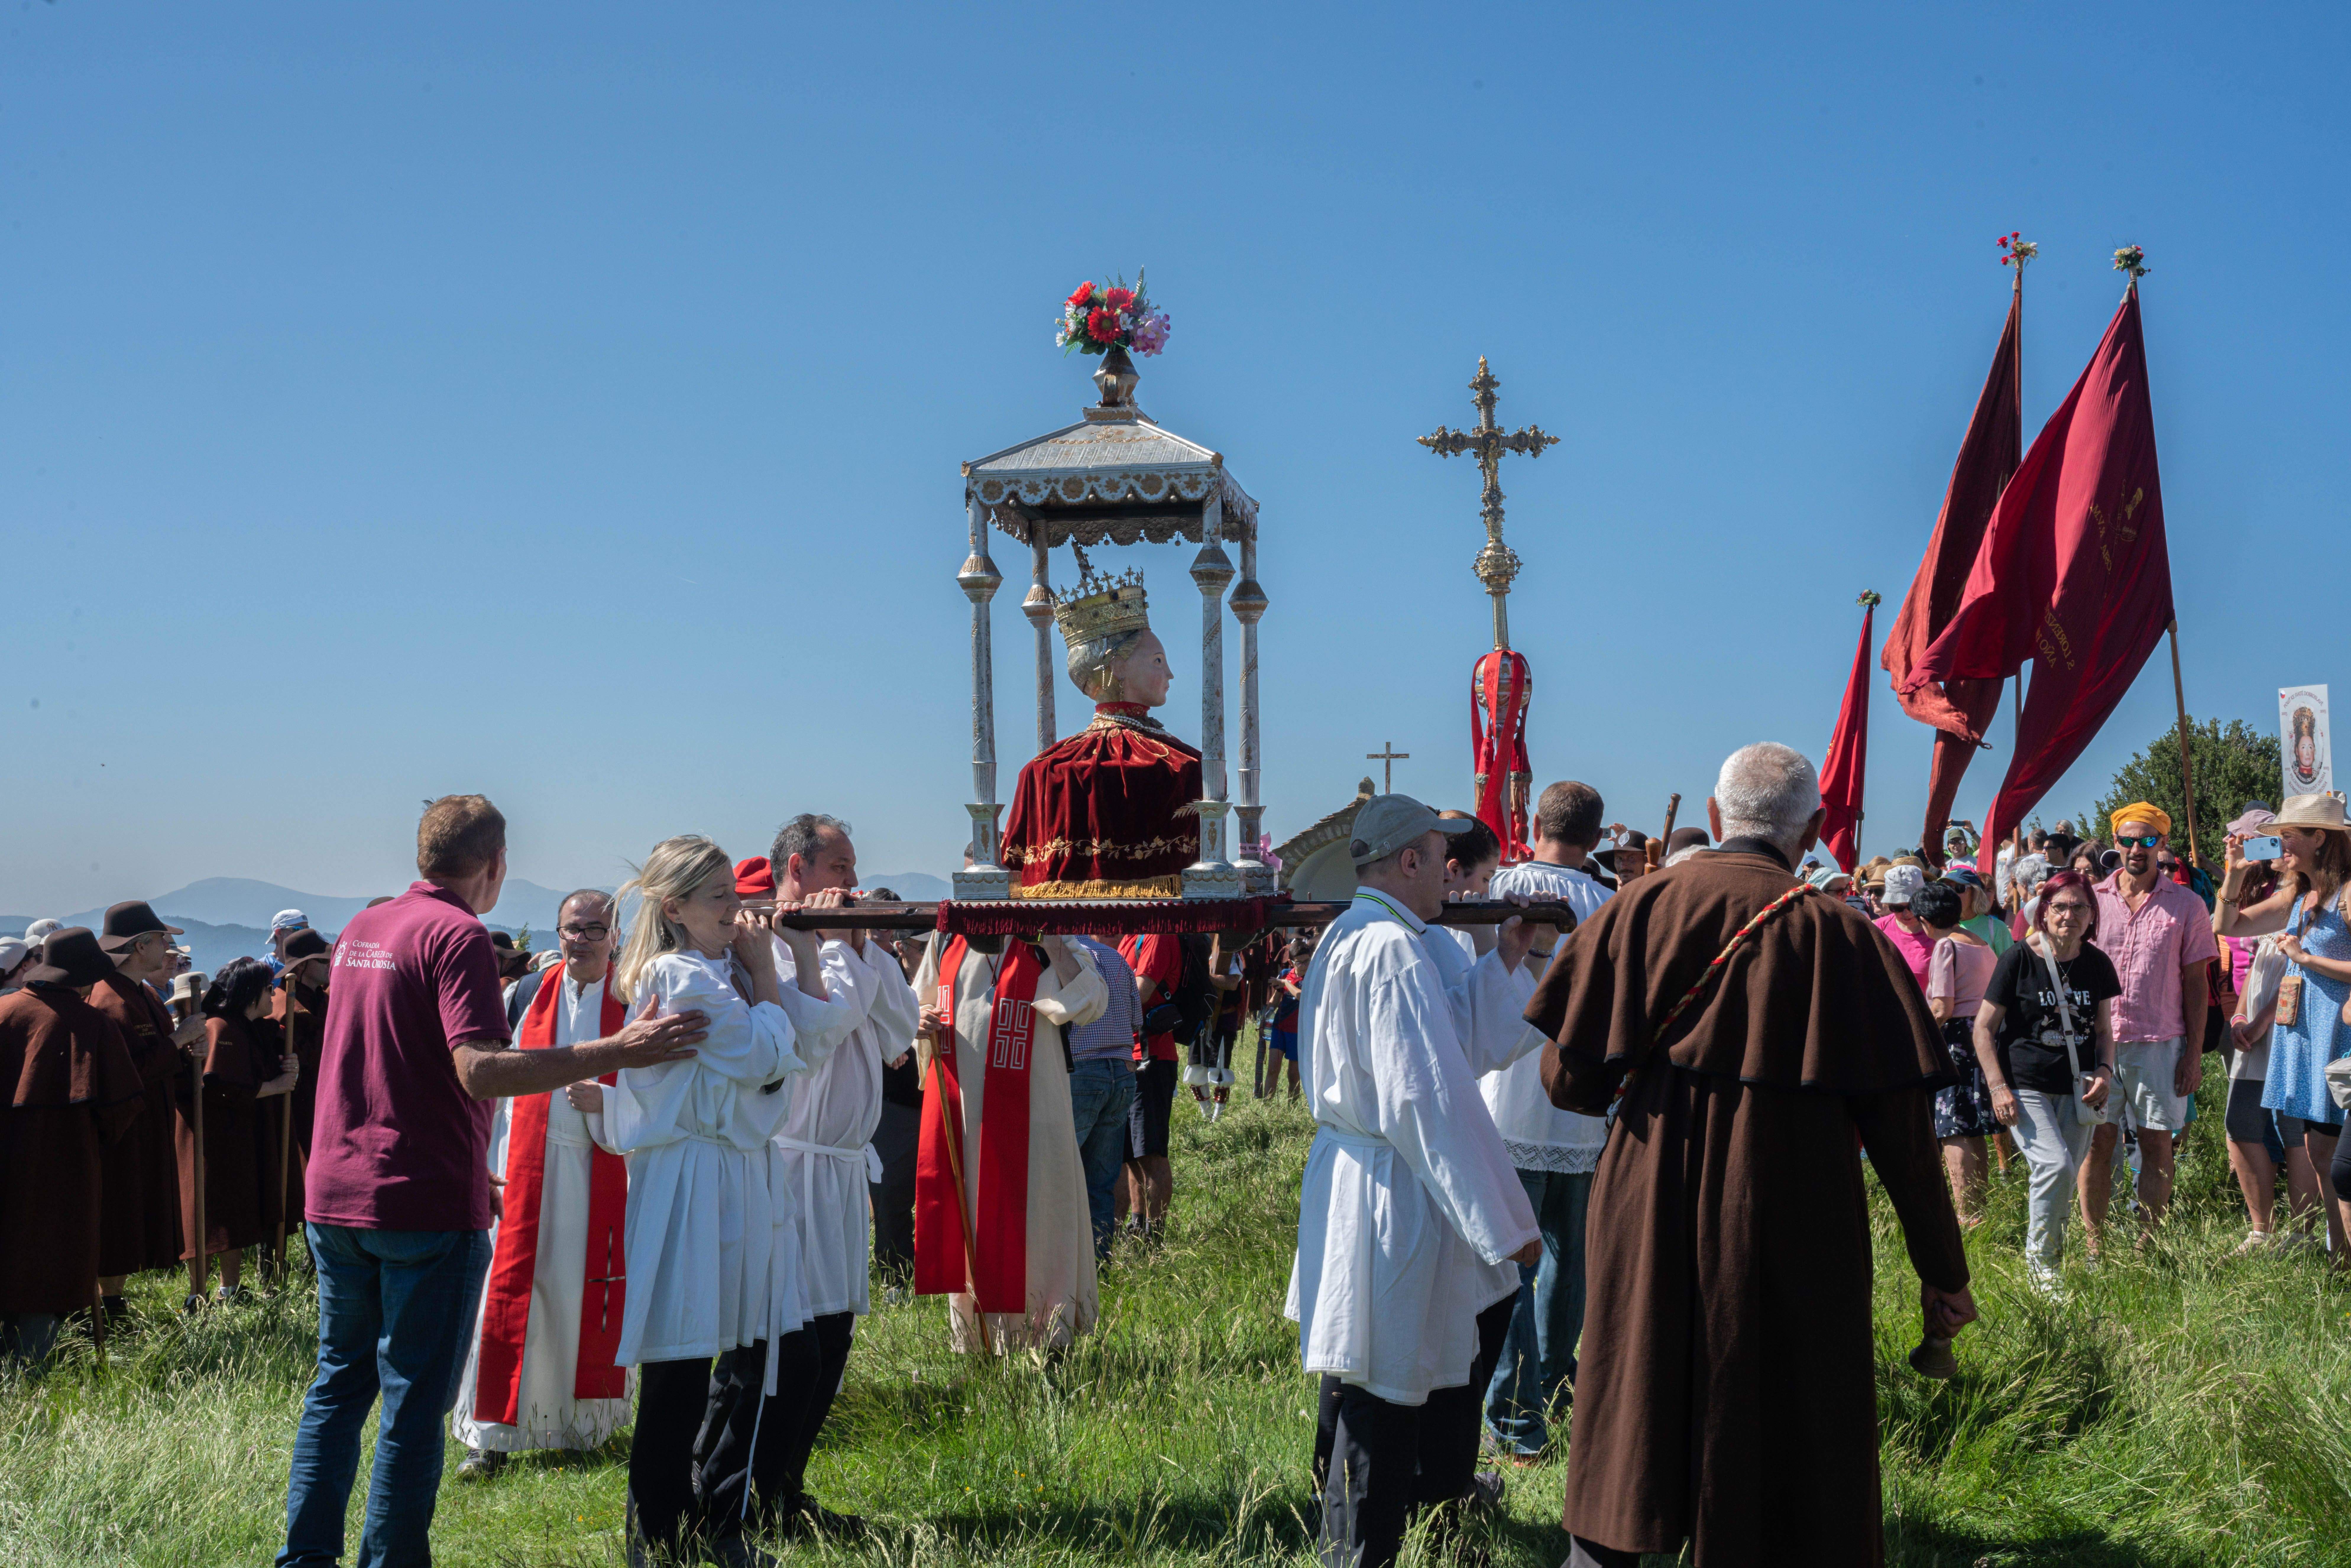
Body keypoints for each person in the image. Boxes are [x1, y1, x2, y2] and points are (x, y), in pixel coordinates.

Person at [1529, 743, 1974, 1567]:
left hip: (1648, 1189)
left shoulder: (1635, 908)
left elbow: (1567, 1080)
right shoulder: (1847, 937)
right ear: (1809, 831)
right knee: (1780, 1427)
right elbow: (1908, 1145)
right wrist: (1944, 1271)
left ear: (1716, 812)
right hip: (1791, 1209)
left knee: (1637, 1395)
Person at [279, 797, 704, 1568]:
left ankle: (305, 1558)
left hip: (333, 1192)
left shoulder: (362, 931)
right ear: (495, 866)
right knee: (412, 1400)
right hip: (420, 1196)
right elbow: (477, 1069)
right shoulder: (458, 935)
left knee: (338, 1388)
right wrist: (618, 1053)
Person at [1288, 794, 1540, 1568]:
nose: (1450, 878)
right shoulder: (1392, 950)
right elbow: (1428, 1097)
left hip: (1362, 1177)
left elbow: (1450, 1041)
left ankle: (1350, 1543)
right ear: (1410, 861)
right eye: (1439, 859)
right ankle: (1358, 1555)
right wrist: (1505, 1225)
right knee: (1384, 1390)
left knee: (1366, 1374)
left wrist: (1505, 960)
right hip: (1389, 1190)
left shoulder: (1359, 934)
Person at [590, 834, 843, 1564]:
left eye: (736, 893)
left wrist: (790, 958)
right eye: (720, 897)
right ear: (675, 908)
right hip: (693, 1175)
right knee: (682, 1358)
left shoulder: (723, 967)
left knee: (770, 1350)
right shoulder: (680, 975)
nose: (738, 908)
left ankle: (715, 1519)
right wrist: (765, 973)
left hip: (740, 1171)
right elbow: (766, 1054)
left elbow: (815, 1038)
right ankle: (664, 1535)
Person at [752, 814, 921, 1539]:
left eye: (854, 869)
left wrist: (861, 945)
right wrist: (839, 946)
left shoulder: (847, 944)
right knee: (797, 1341)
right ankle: (756, 1489)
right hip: (796, 1163)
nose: (852, 883)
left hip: (845, 1166)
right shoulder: (777, 946)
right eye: (840, 868)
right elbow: (827, 1024)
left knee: (837, 1334)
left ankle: (789, 1483)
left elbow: (903, 1028)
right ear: (800, 867)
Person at [450, 890, 634, 1478]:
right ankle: (493, 1437)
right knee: (508, 1301)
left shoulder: (633, 1000)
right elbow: (487, 1084)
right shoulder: (523, 995)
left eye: (594, 929)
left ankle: (584, 1428)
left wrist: (606, 1101)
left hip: (600, 1169)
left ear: (615, 937)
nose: (580, 939)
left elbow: (656, 1091)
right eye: (571, 929)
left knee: (585, 1298)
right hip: (524, 1170)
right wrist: (479, 1159)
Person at [1477, 780, 1614, 1465]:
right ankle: (1558, 1394)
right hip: (1584, 1108)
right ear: (1593, 834)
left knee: (1511, 1267)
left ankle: (1514, 1411)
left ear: (1536, 822)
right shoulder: (1615, 903)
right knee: (1569, 1260)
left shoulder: (1500, 886)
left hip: (1505, 1097)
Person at [913, 923, 1108, 1353]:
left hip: (1038, 1116)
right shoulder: (946, 940)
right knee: (976, 1226)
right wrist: (918, 1018)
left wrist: (1050, 940)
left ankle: (1049, 1337)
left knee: (1042, 1219)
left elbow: (1093, 1000)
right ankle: (978, 1341)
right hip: (968, 1117)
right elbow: (917, 998)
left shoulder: (1045, 936)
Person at [998, 551, 1203, 899]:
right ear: (1118, 668)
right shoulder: (1050, 771)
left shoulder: (1180, 761)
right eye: (1157, 661)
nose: (1169, 674)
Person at [0, 930, 145, 1365]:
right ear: (83, 977)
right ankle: (32, 1370)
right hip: (63, 1167)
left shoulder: (3, 1010)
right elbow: (121, 1105)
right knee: (48, 1255)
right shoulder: (89, 1024)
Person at [2217, 793, 2351, 1263]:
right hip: (2304, 1038)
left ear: (2320, 838)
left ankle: (2342, 1257)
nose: (2280, 845)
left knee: (2339, 1158)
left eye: (2289, 835)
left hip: (2339, 1035)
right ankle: (2339, 1257)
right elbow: (2229, 925)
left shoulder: (2349, 893)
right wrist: (2234, 872)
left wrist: (2306, 959)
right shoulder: (2297, 896)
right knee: (2322, 1156)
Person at [1972, 870, 2120, 1291]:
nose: (2069, 916)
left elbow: (2106, 1032)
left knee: (2065, 1174)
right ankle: (2041, 1268)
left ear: (2092, 915)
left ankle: (2051, 1257)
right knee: (2054, 1166)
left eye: (2079, 907)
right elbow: (1983, 1029)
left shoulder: (2097, 964)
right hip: (2025, 1083)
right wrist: (1998, 1087)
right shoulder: (2018, 959)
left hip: (2081, 1086)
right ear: (2043, 911)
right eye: (2060, 907)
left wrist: (2107, 1073)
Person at [2078, 804, 2216, 1250]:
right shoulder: (2092, 901)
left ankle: (2146, 1244)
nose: (2137, 849)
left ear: (2162, 845)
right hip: (2100, 1044)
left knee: (2159, 1148)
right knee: (2098, 1145)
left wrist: (2193, 1054)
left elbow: (2197, 986)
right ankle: (2095, 1243)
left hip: (2161, 1043)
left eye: (2149, 840)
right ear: (2115, 843)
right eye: (2129, 840)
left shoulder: (2188, 905)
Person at [89, 900, 195, 1318]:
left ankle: (112, 1302)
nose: (168, 945)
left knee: (130, 1209)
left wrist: (186, 1048)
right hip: (125, 1129)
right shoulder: (109, 1002)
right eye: (162, 938)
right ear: (140, 946)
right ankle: (104, 1306)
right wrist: (178, 1041)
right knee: (117, 1209)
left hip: (149, 1124)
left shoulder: (141, 994)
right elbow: (128, 1072)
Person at [177, 958, 300, 1301]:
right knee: (211, 1212)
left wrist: (284, 1068)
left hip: (241, 1136)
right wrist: (277, 1086)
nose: (273, 995)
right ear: (250, 993)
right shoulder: (223, 1028)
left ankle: (229, 1289)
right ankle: (197, 1296)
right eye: (267, 989)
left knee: (234, 1212)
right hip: (216, 1138)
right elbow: (220, 1087)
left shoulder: (246, 1027)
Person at [1916, 881, 1998, 1225]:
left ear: (1924, 920)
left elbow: (1941, 1007)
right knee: (1974, 1126)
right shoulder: (1980, 943)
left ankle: (1966, 1215)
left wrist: (1919, 1039)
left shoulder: (1946, 947)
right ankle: (1980, 1209)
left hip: (1957, 1040)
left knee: (1951, 1127)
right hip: (1985, 1036)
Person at [1064, 934, 1141, 1261]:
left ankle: (1066, 1267)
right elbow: (1137, 1019)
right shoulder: (1115, 958)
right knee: (1101, 1181)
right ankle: (1098, 1265)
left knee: (1062, 1172)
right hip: (1122, 1071)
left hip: (1082, 1066)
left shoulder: (1063, 957)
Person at [1116, 928, 1187, 1238]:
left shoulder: (1158, 933)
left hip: (1152, 1055)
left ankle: (1155, 1236)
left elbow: (1140, 991)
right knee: (1131, 1153)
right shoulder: (1129, 935)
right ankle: (1137, 1224)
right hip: (1129, 1053)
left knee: (1150, 1152)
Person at [867, 908, 924, 1282]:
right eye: (922, 946)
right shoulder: (880, 975)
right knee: (891, 1195)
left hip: (936, 1098)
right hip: (896, 1102)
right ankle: (895, 1275)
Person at [1874, 863, 1933, 990]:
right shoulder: (1879, 929)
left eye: (1912, 906)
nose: (1906, 914)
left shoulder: (1940, 929)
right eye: (1897, 908)